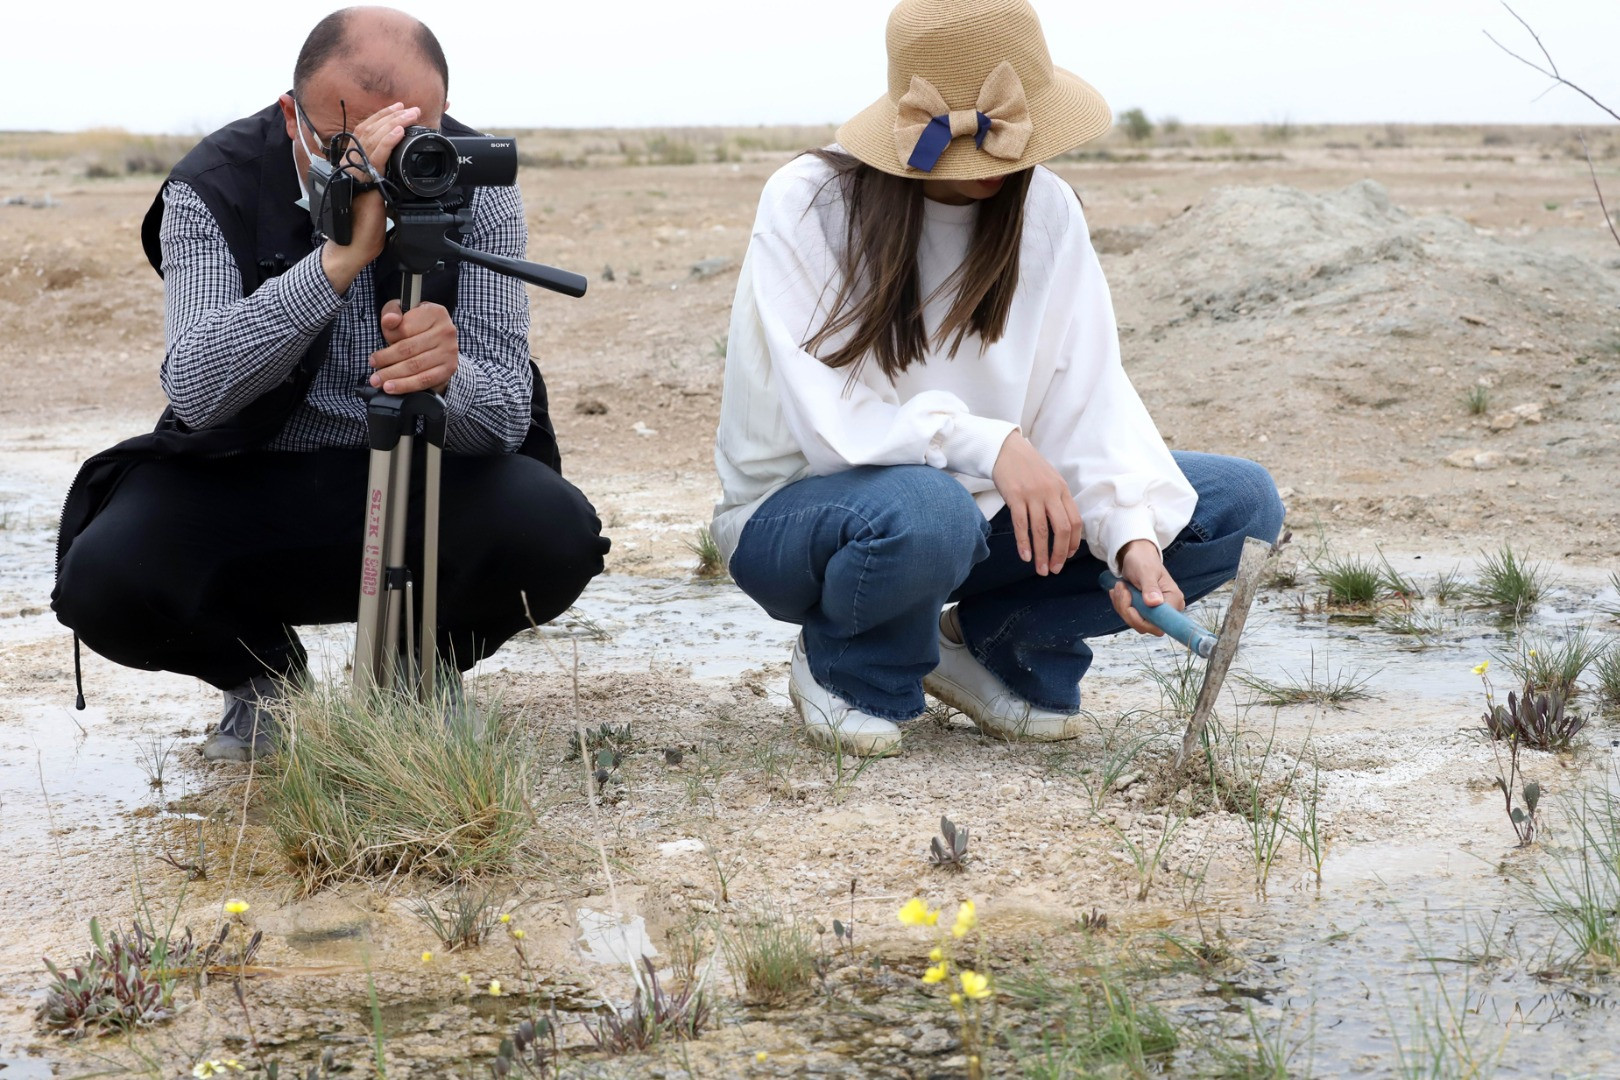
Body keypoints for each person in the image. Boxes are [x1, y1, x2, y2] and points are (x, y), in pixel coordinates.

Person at [712, 0, 1284, 758]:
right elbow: (833, 427)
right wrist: (991, 442)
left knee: (1234, 506)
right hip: (806, 518)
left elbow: (1091, 402)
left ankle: (994, 647)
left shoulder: (1046, 208)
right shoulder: (810, 201)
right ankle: (850, 665)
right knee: (929, 505)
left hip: (980, 518)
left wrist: (1132, 539)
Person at [52, 6, 609, 761]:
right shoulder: (213, 186)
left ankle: (418, 676)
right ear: (291, 118)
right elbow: (196, 391)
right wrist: (334, 264)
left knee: (555, 532)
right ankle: (263, 679)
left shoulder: (471, 172)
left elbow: (507, 415)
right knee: (106, 576)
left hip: (419, 475)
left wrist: (449, 375)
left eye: (412, 131)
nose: (385, 163)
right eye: (352, 142)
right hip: (249, 476)